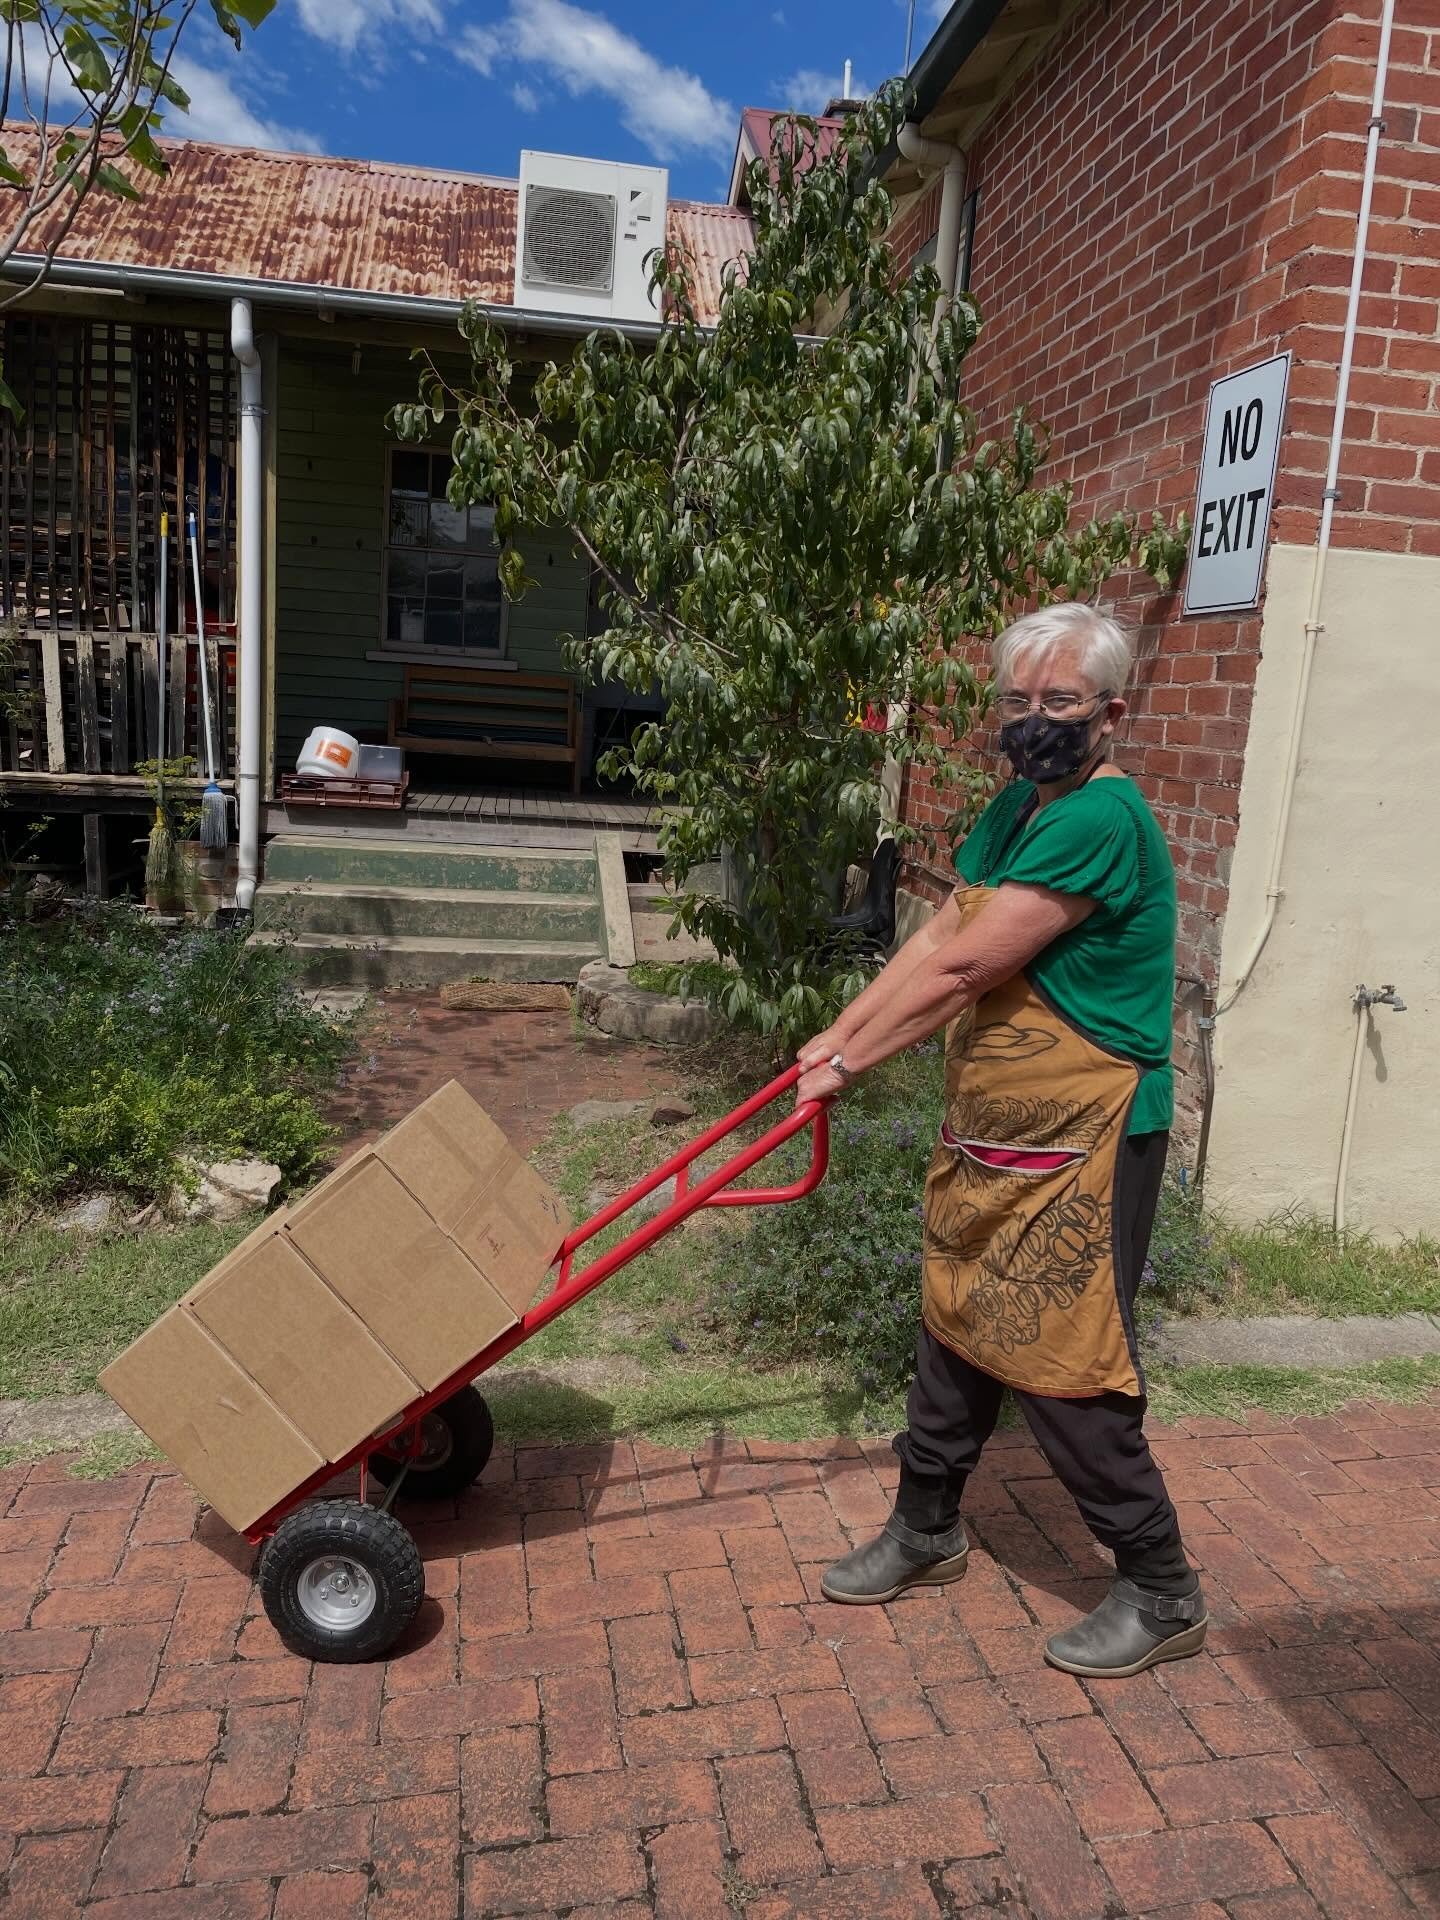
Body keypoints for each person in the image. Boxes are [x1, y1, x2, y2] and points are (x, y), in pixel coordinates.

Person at [795, 601, 1204, 1679]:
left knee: (1063, 1360)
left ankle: (1161, 1590)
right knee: (956, 1317)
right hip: (999, 1129)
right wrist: (832, 1037)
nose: (1034, 722)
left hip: (1088, 1134)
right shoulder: (1021, 806)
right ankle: (927, 1528)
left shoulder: (1099, 821)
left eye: (1060, 703)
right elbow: (944, 928)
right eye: (1017, 701)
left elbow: (967, 972)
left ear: (1111, 714)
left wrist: (854, 1063)